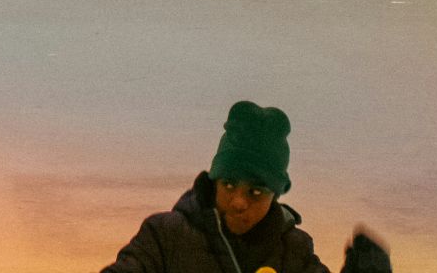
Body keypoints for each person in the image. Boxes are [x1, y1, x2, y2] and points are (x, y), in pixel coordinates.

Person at [98, 101, 393, 273]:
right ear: (214, 180)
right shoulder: (165, 236)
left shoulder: (294, 253)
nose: (238, 201)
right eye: (228, 183)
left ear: (275, 195)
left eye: (255, 191)